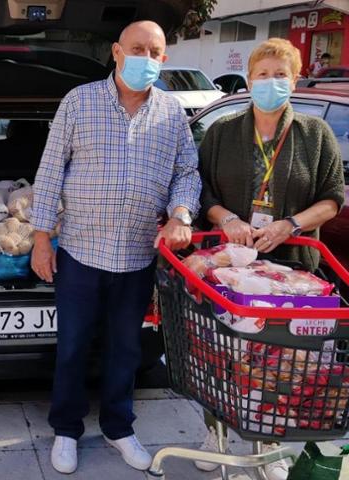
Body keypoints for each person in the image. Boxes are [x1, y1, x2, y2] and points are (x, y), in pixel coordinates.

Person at [31, 21, 201, 474]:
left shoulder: (172, 113)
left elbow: (187, 171)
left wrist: (181, 214)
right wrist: (41, 238)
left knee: (126, 349)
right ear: (116, 52)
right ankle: (66, 429)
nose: (145, 57)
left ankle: (118, 427)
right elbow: (50, 171)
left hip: (137, 256)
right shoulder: (79, 101)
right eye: (136, 48)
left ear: (164, 59)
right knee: (72, 346)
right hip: (81, 252)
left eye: (154, 51)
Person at [197, 38, 345, 480]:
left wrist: (291, 224)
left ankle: (271, 441)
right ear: (249, 80)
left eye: (281, 75)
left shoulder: (314, 135)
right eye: (263, 74)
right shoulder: (223, 131)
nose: (271, 82)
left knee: (282, 363)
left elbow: (332, 198)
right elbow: (202, 190)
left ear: (295, 81)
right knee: (221, 354)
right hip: (229, 272)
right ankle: (215, 432)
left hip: (292, 272)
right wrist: (226, 219)